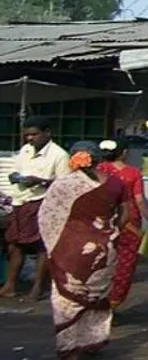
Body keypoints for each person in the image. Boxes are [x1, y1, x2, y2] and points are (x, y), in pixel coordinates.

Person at [37, 141, 128, 360]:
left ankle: (70, 347)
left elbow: (47, 217)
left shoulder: (64, 184)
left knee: (67, 300)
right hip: (104, 250)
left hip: (71, 250)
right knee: (97, 296)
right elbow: (125, 214)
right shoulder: (116, 182)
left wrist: (53, 246)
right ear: (98, 159)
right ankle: (91, 342)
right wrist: (109, 233)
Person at [2, 117, 70, 301]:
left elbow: (64, 184)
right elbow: (15, 171)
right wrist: (17, 177)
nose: (30, 138)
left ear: (47, 133)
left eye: (34, 134)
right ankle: (10, 285)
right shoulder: (25, 150)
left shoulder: (59, 155)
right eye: (27, 135)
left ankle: (38, 287)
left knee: (41, 246)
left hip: (42, 202)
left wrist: (40, 181)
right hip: (20, 200)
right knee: (15, 244)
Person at [96, 138, 148, 308]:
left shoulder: (97, 171)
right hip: (129, 223)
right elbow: (139, 200)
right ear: (124, 152)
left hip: (101, 223)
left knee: (100, 264)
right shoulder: (132, 173)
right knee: (124, 266)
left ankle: (96, 302)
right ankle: (112, 303)